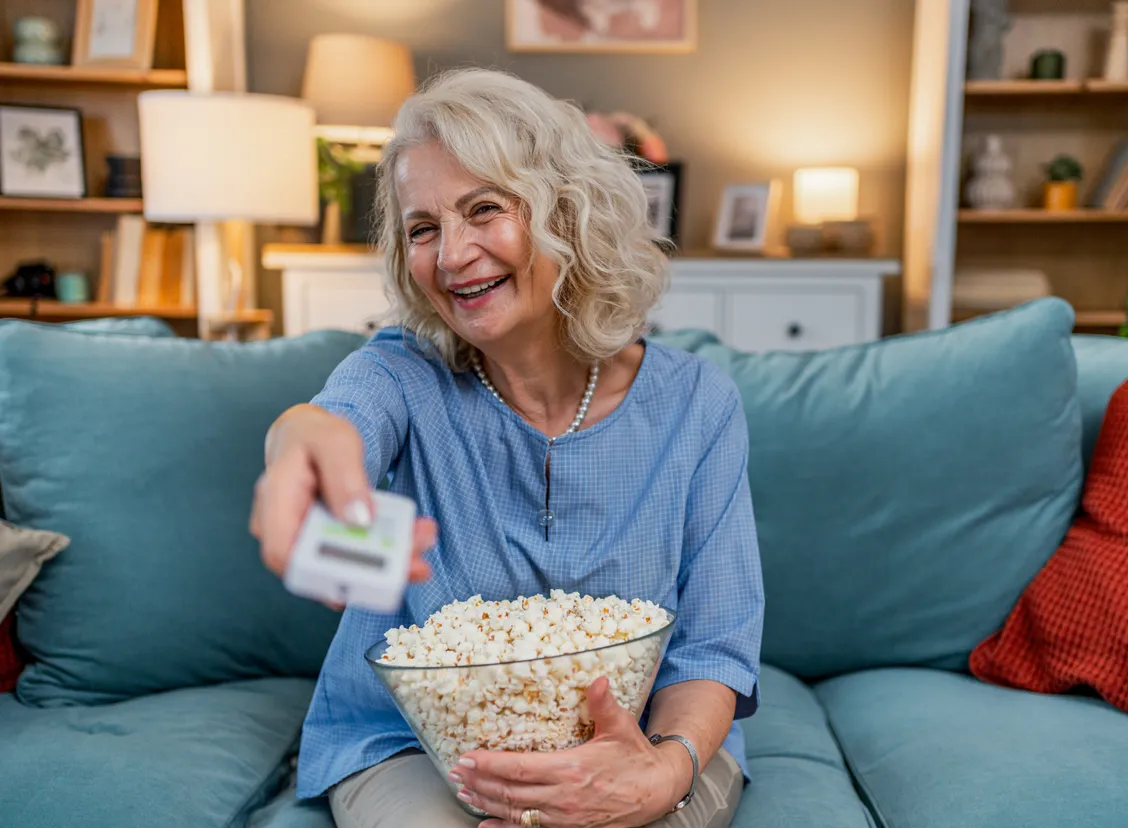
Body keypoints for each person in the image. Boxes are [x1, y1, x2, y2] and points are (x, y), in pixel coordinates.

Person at [249, 67, 764, 828]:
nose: (451, 256)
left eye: (483, 209)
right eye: (423, 228)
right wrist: (298, 442)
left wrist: (663, 772)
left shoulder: (697, 406)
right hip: (416, 744)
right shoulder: (400, 376)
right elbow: (333, 422)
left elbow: (714, 645)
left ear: (569, 214)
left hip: (645, 736)